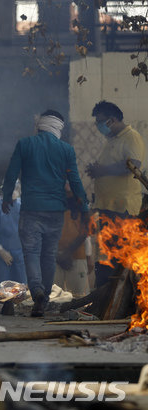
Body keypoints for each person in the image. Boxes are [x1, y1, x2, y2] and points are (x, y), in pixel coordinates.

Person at [2, 110, 89, 317]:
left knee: (31, 253)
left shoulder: (25, 144)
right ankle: (44, 300)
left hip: (31, 209)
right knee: (48, 255)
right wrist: (84, 207)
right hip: (55, 211)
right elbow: (75, 181)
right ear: (58, 128)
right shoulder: (66, 150)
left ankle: (37, 290)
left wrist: (7, 197)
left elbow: (11, 174)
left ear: (40, 125)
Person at [86, 100, 145, 288]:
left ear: (112, 120)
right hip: (107, 206)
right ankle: (105, 294)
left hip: (123, 207)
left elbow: (133, 166)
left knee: (121, 254)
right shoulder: (111, 139)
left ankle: (119, 294)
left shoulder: (131, 137)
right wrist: (96, 170)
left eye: (100, 122)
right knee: (108, 254)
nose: (98, 126)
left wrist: (102, 170)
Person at [53, 182, 94, 298]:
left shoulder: (81, 204)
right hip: (54, 257)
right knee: (54, 298)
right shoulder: (51, 202)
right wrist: (58, 255)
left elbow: (85, 233)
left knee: (80, 298)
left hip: (76, 257)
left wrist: (87, 256)